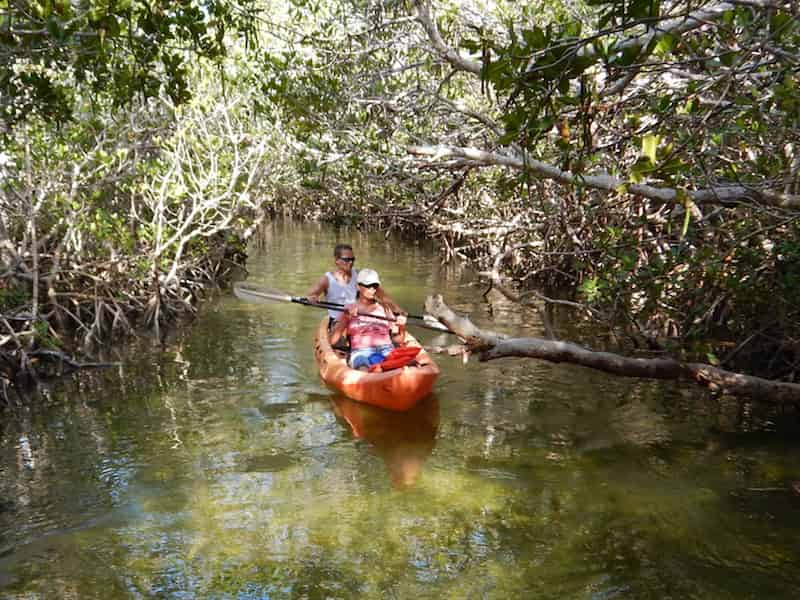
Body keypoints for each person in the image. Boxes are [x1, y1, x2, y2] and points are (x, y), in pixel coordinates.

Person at [329, 268, 408, 370]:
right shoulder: (349, 309)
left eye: (375, 286)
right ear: (358, 286)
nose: (372, 289)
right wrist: (345, 318)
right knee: (363, 367)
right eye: (368, 285)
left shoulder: (385, 308)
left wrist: (402, 327)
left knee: (403, 366)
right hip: (360, 351)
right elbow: (333, 340)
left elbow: (398, 339)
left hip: (386, 349)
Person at [305, 243, 402, 326]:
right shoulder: (327, 279)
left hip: (358, 317)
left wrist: (397, 309)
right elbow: (311, 294)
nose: (351, 262)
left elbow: (382, 295)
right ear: (337, 260)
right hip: (337, 321)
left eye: (352, 259)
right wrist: (312, 298)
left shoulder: (360, 276)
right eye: (347, 259)